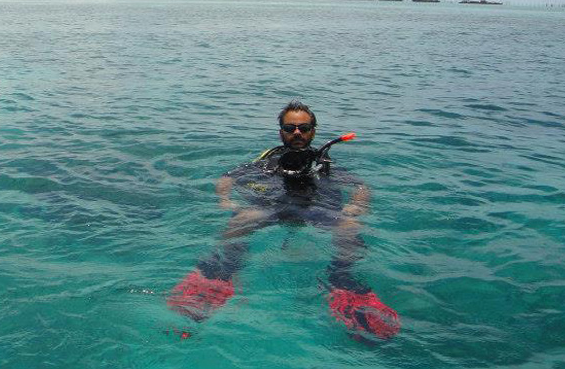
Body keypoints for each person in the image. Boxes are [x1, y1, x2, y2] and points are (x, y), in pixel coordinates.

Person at [167, 100, 400, 341]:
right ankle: (223, 273)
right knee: (241, 220)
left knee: (350, 226)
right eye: (290, 128)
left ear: (313, 131)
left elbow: (360, 186)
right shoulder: (269, 161)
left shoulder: (324, 164)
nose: (297, 132)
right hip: (275, 208)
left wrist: (356, 205)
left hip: (316, 209)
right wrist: (224, 200)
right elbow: (228, 178)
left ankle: (342, 279)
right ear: (281, 132)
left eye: (303, 127)